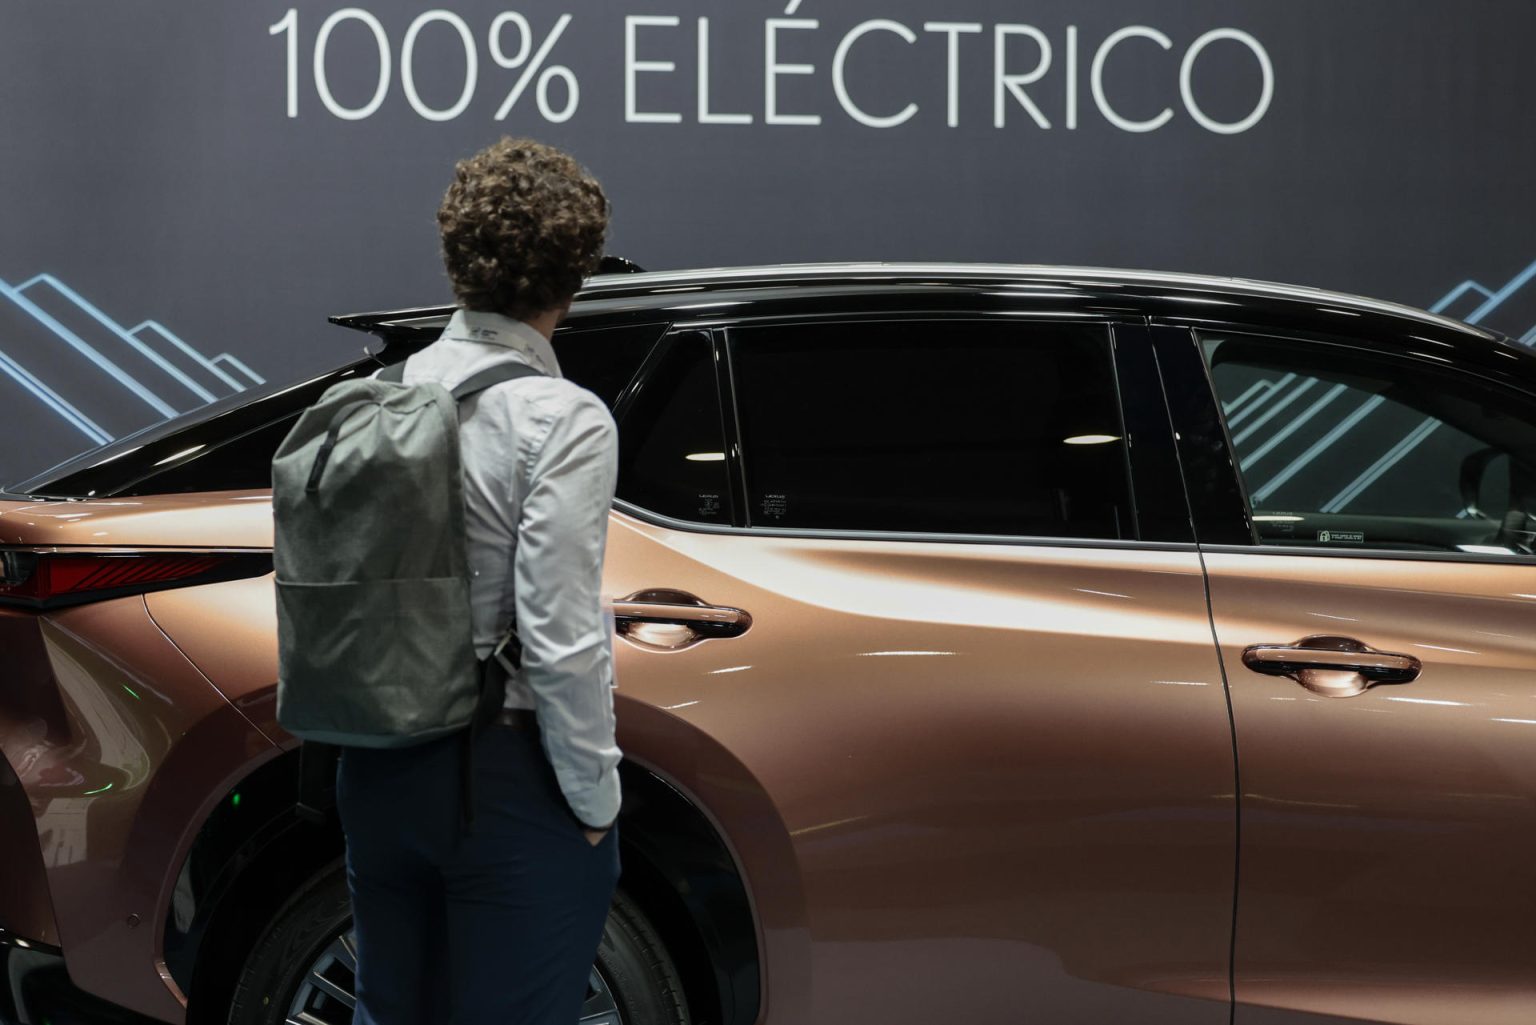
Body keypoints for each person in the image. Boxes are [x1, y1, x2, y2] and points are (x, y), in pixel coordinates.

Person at [333, 137, 622, 1025]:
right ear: (574, 277)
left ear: (457, 260)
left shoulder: (381, 394)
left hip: (375, 768)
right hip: (503, 775)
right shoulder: (563, 418)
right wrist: (596, 800)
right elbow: (559, 630)